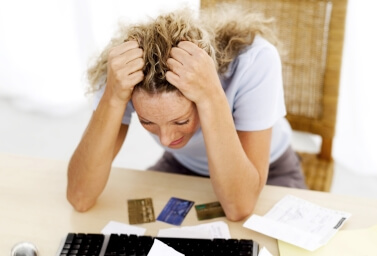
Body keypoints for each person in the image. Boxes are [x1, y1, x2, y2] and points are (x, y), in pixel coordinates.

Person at [66, 3, 307, 221]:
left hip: (268, 170)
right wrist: (112, 97)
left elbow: (239, 207)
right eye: (147, 122)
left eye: (180, 121)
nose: (166, 139)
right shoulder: (125, 75)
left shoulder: (255, 60)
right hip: (181, 164)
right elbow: (79, 196)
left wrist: (211, 95)